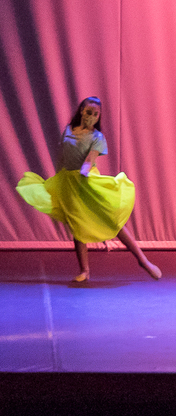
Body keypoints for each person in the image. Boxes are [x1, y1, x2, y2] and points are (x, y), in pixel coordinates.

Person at [16, 96, 160, 282]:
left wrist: (84, 170)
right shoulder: (69, 130)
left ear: (99, 116)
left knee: (112, 221)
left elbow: (90, 159)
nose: (91, 116)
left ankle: (143, 261)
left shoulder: (97, 137)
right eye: (89, 112)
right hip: (69, 183)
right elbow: (62, 157)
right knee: (77, 224)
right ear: (81, 112)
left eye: (95, 114)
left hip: (88, 183)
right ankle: (85, 270)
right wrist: (58, 180)